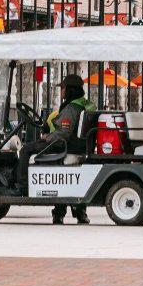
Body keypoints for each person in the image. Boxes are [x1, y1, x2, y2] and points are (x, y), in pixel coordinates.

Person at [39, 73, 94, 225]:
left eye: (62, 88)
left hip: (67, 146)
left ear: (69, 90)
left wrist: (46, 138)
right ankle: (80, 213)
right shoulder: (87, 104)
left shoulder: (71, 107)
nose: (61, 91)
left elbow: (63, 133)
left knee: (27, 151)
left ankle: (23, 187)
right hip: (82, 147)